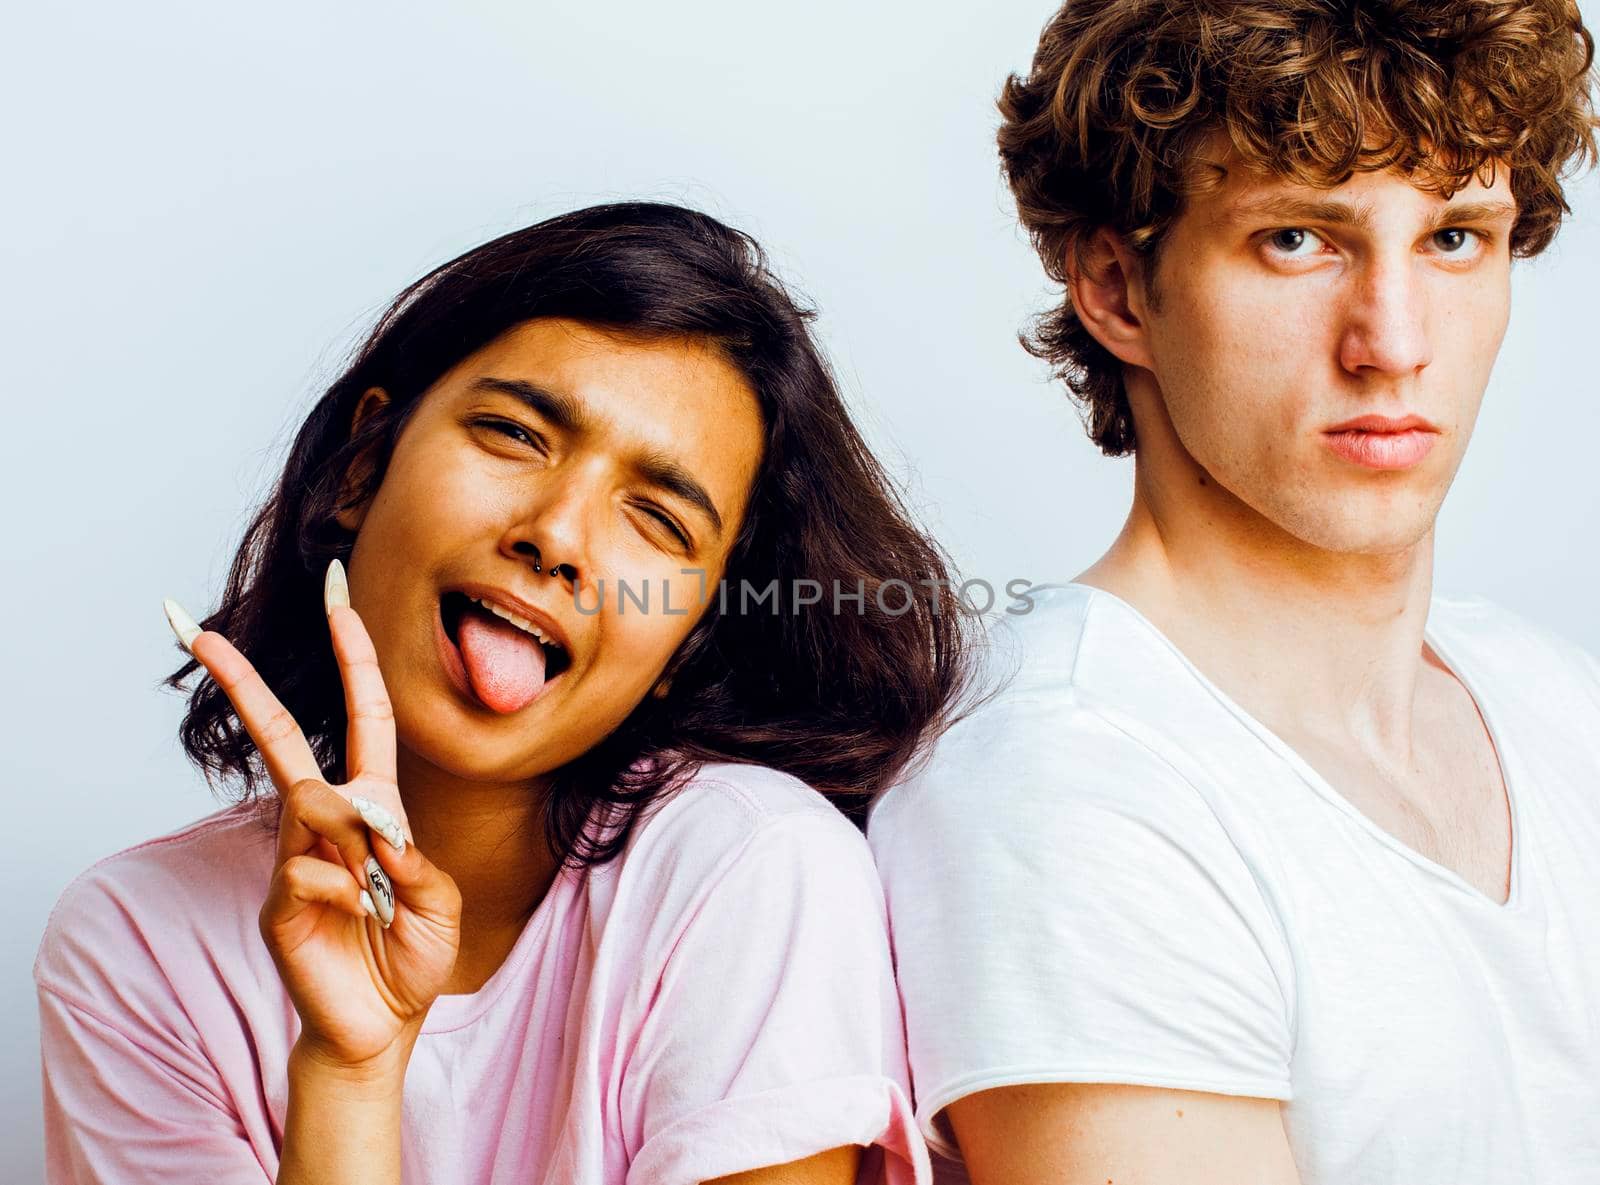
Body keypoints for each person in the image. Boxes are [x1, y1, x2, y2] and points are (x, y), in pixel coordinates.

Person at [34, 201, 976, 1184]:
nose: (557, 535)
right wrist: (351, 1075)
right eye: (514, 434)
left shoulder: (748, 869)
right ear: (363, 467)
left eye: (654, 516)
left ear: (685, 639)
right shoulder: (136, 941)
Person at [867, 2, 1600, 1183]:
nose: (1392, 343)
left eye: (1454, 238)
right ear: (1116, 289)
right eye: (1300, 240)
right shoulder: (1062, 795)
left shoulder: (1561, 704)